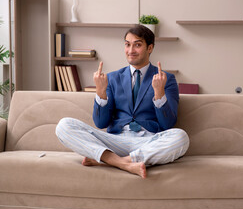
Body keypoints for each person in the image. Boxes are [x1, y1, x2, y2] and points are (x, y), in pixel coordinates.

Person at [56, 25, 189, 179]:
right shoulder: (112, 78)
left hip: (148, 141)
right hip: (116, 141)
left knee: (181, 137)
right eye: (127, 44)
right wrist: (100, 92)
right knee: (64, 125)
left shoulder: (166, 79)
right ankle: (124, 163)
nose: (131, 50)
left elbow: (168, 124)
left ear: (150, 48)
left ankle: (114, 161)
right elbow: (100, 123)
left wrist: (159, 92)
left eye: (137, 45)